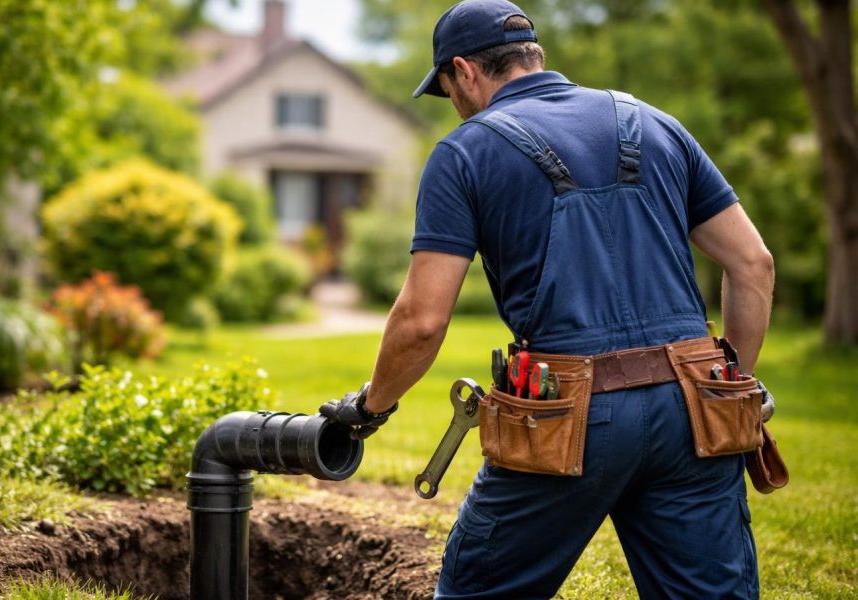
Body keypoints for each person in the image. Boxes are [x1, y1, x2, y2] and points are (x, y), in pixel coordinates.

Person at [319, 0, 776, 598]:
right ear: (532, 56)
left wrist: (371, 407)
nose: (455, 105)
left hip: (563, 417)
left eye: (447, 89)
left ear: (464, 69)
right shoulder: (656, 123)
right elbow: (753, 263)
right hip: (693, 410)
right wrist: (728, 383)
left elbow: (422, 320)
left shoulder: (464, 154)